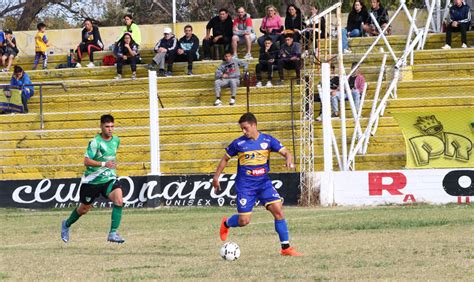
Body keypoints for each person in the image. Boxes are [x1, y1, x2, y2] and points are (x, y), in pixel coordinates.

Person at [213, 112, 302, 257]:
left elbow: (286, 152)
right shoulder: (238, 143)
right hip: (246, 186)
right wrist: (216, 177)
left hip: (263, 183)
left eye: (246, 128)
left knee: (278, 210)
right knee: (244, 221)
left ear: (254, 125)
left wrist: (288, 159)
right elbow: (224, 159)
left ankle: (286, 248)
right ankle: (226, 223)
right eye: (242, 129)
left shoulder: (267, 140)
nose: (244, 131)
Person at [61, 114, 125, 244]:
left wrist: (109, 168)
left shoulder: (116, 140)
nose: (110, 129)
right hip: (91, 181)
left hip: (108, 179)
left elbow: (110, 158)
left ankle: (113, 233)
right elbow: (86, 161)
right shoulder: (95, 142)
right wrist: (103, 164)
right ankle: (66, 224)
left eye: (112, 126)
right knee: (84, 209)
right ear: (101, 126)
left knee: (119, 200)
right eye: (107, 126)